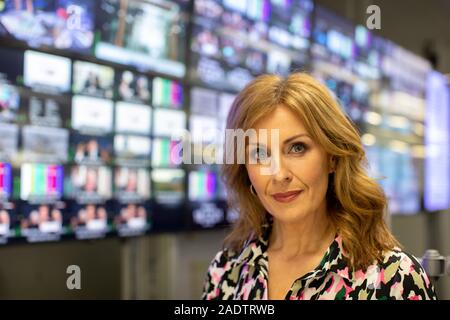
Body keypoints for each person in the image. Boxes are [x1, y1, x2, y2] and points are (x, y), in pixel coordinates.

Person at [202, 73, 437, 300]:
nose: (280, 174)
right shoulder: (226, 272)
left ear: (332, 158)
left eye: (297, 148)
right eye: (260, 154)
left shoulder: (395, 278)